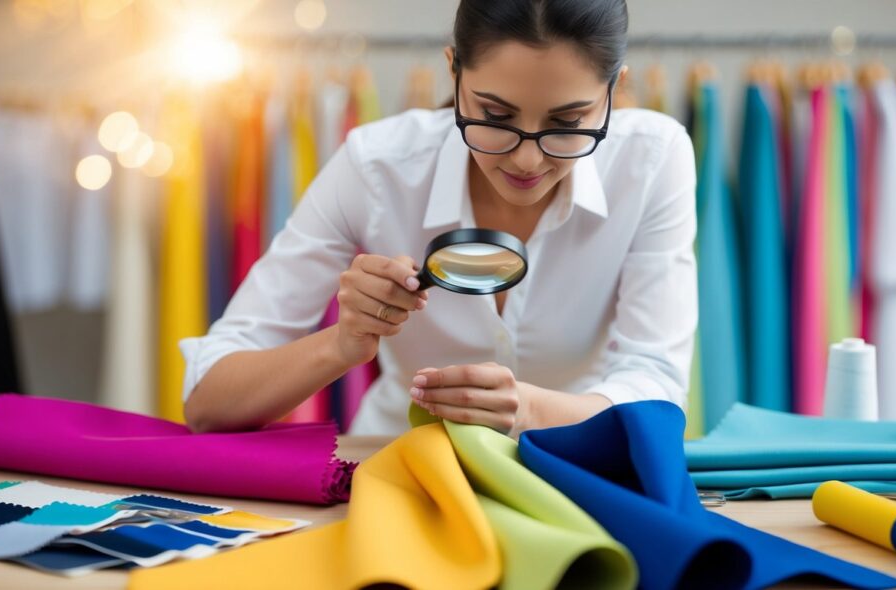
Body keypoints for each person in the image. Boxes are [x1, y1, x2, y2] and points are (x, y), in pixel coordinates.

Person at [182, 0, 697, 437]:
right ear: (453, 70)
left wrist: (530, 409)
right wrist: (341, 343)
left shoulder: (652, 159)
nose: (526, 160)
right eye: (496, 117)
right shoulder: (376, 166)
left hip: (575, 477)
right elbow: (207, 400)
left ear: (615, 91)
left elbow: (656, 388)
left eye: (568, 123)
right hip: (393, 467)